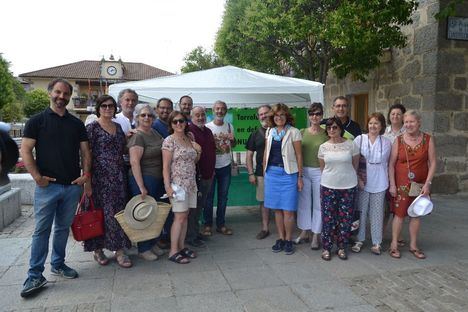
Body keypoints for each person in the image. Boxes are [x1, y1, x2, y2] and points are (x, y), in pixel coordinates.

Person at [20, 79, 91, 298]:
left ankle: (58, 264)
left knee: (62, 229)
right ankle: (34, 275)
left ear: (69, 96)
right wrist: (37, 177)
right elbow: (25, 150)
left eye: (66, 93)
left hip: (71, 187)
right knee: (41, 231)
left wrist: (86, 175)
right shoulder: (37, 121)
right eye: (58, 92)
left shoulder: (76, 124)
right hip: (47, 187)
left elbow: (86, 153)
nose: (61, 96)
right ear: (50, 93)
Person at [83, 95, 132, 268]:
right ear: (98, 107)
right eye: (104, 105)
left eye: (111, 105)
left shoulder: (118, 127)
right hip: (99, 179)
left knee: (118, 214)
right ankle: (98, 250)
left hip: (118, 178)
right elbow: (86, 155)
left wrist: (131, 137)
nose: (108, 108)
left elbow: (123, 149)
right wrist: (87, 180)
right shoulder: (92, 128)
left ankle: (119, 250)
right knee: (99, 214)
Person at [388, 110, 436, 260]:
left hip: (420, 183)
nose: (408, 125)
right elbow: (391, 164)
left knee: (416, 214)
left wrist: (428, 184)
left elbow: (433, 162)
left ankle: (414, 245)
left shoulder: (428, 139)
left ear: (419, 122)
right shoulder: (399, 140)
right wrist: (392, 185)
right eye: (406, 122)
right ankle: (394, 244)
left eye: (411, 121)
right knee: (399, 214)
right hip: (401, 182)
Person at [162, 111, 202, 264]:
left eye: (182, 121)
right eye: (175, 122)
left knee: (185, 216)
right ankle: (173, 251)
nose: (179, 124)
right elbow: (165, 167)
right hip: (178, 185)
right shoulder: (169, 141)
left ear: (186, 122)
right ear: (171, 124)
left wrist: (198, 150)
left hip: (191, 183)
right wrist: (167, 187)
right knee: (179, 217)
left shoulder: (188, 138)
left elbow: (194, 160)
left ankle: (181, 246)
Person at [318, 117, 360, 261]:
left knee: (345, 219)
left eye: (335, 127)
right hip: (328, 186)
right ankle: (327, 247)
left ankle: (342, 247)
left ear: (340, 129)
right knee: (328, 219)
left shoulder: (351, 145)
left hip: (348, 186)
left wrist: (346, 176)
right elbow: (323, 168)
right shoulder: (323, 147)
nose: (331, 130)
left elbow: (355, 165)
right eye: (329, 128)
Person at [127, 104, 165, 261]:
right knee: (143, 215)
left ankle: (152, 242)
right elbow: (134, 162)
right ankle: (143, 248)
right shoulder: (137, 136)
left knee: (154, 214)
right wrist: (141, 186)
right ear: (137, 118)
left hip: (156, 178)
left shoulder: (155, 132)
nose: (147, 118)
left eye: (149, 115)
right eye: (143, 115)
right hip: (143, 178)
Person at [264, 103, 303, 255]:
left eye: (282, 115)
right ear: (272, 118)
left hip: (289, 174)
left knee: (288, 210)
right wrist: (264, 172)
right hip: (272, 174)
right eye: (276, 115)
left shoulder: (294, 132)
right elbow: (266, 153)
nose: (279, 118)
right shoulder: (270, 131)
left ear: (287, 116)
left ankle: (288, 240)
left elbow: (299, 155)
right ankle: (280, 238)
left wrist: (300, 176)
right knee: (277, 209)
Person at [351, 113, 392, 255]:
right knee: (361, 212)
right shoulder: (359, 140)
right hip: (363, 180)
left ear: (381, 126)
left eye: (376, 123)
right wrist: (357, 179)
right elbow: (353, 161)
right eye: (370, 123)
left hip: (380, 181)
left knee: (377, 213)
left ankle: (376, 242)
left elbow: (389, 163)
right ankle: (359, 239)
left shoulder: (386, 142)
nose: (373, 126)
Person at [295, 103, 328, 249]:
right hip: (304, 171)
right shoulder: (302, 132)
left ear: (322, 115)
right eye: (312, 113)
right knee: (303, 203)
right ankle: (304, 231)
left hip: (320, 171)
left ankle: (316, 234)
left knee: (318, 204)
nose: (315, 116)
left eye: (318, 113)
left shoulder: (327, 133)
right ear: (308, 115)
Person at [203, 100, 235, 236]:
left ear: (226, 111)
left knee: (223, 197)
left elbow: (232, 145)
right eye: (217, 109)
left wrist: (232, 140)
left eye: (222, 109)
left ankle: (221, 224)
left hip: (225, 166)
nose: (219, 111)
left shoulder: (229, 126)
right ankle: (207, 224)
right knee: (208, 198)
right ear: (213, 110)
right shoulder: (207, 127)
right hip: (211, 167)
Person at [187, 106, 216, 248]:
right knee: (193, 209)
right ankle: (191, 237)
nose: (200, 117)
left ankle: (196, 232)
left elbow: (211, 151)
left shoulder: (208, 131)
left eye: (202, 115)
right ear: (191, 116)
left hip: (208, 176)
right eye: (197, 115)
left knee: (200, 207)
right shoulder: (189, 132)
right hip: (195, 178)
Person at [246, 105, 272, 240]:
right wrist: (251, 173)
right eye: (261, 114)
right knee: (263, 201)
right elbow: (249, 155)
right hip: (261, 174)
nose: (263, 116)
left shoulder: (278, 130)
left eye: (266, 113)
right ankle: (265, 228)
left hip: (279, 173)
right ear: (258, 117)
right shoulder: (255, 134)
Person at [383, 103, 406, 246]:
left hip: (402, 173)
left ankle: (397, 235)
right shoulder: (384, 132)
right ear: (389, 116)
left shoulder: (407, 132)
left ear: (403, 116)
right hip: (385, 172)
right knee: (385, 206)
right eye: (393, 114)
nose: (395, 116)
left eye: (398, 114)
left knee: (399, 207)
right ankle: (380, 233)